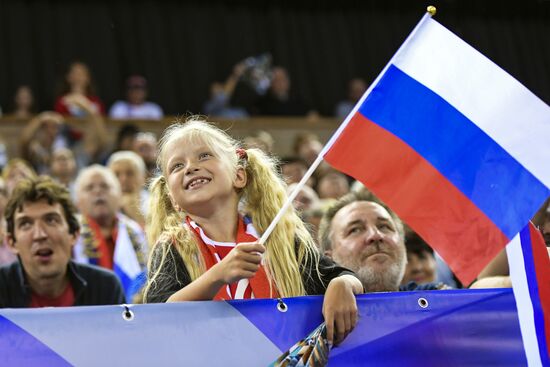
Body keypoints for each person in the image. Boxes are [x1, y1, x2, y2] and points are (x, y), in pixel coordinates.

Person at [144, 118, 363, 345]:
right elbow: (158, 317)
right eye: (177, 166)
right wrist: (218, 276)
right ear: (173, 199)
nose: (190, 167)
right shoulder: (172, 246)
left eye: (204, 155)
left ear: (239, 176)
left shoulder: (279, 240)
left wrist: (342, 284)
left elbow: (343, 276)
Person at [0, 176, 125, 308]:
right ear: (11, 242)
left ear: (74, 234)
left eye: (51, 220)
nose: (40, 234)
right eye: (25, 224)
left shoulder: (105, 287)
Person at [318, 191, 447, 292]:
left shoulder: (441, 303)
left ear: (403, 246)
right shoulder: (309, 319)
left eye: (384, 226)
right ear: (329, 259)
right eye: (355, 230)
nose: (376, 235)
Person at [73, 165, 148, 301]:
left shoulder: (136, 231)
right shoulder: (70, 233)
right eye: (89, 188)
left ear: (119, 196)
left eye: (105, 186)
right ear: (78, 201)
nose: (98, 192)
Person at [107, 151, 149, 226]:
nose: (123, 179)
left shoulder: (156, 204)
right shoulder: (102, 207)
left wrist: (136, 214)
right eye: (117, 174)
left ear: (143, 177)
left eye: (130, 173)